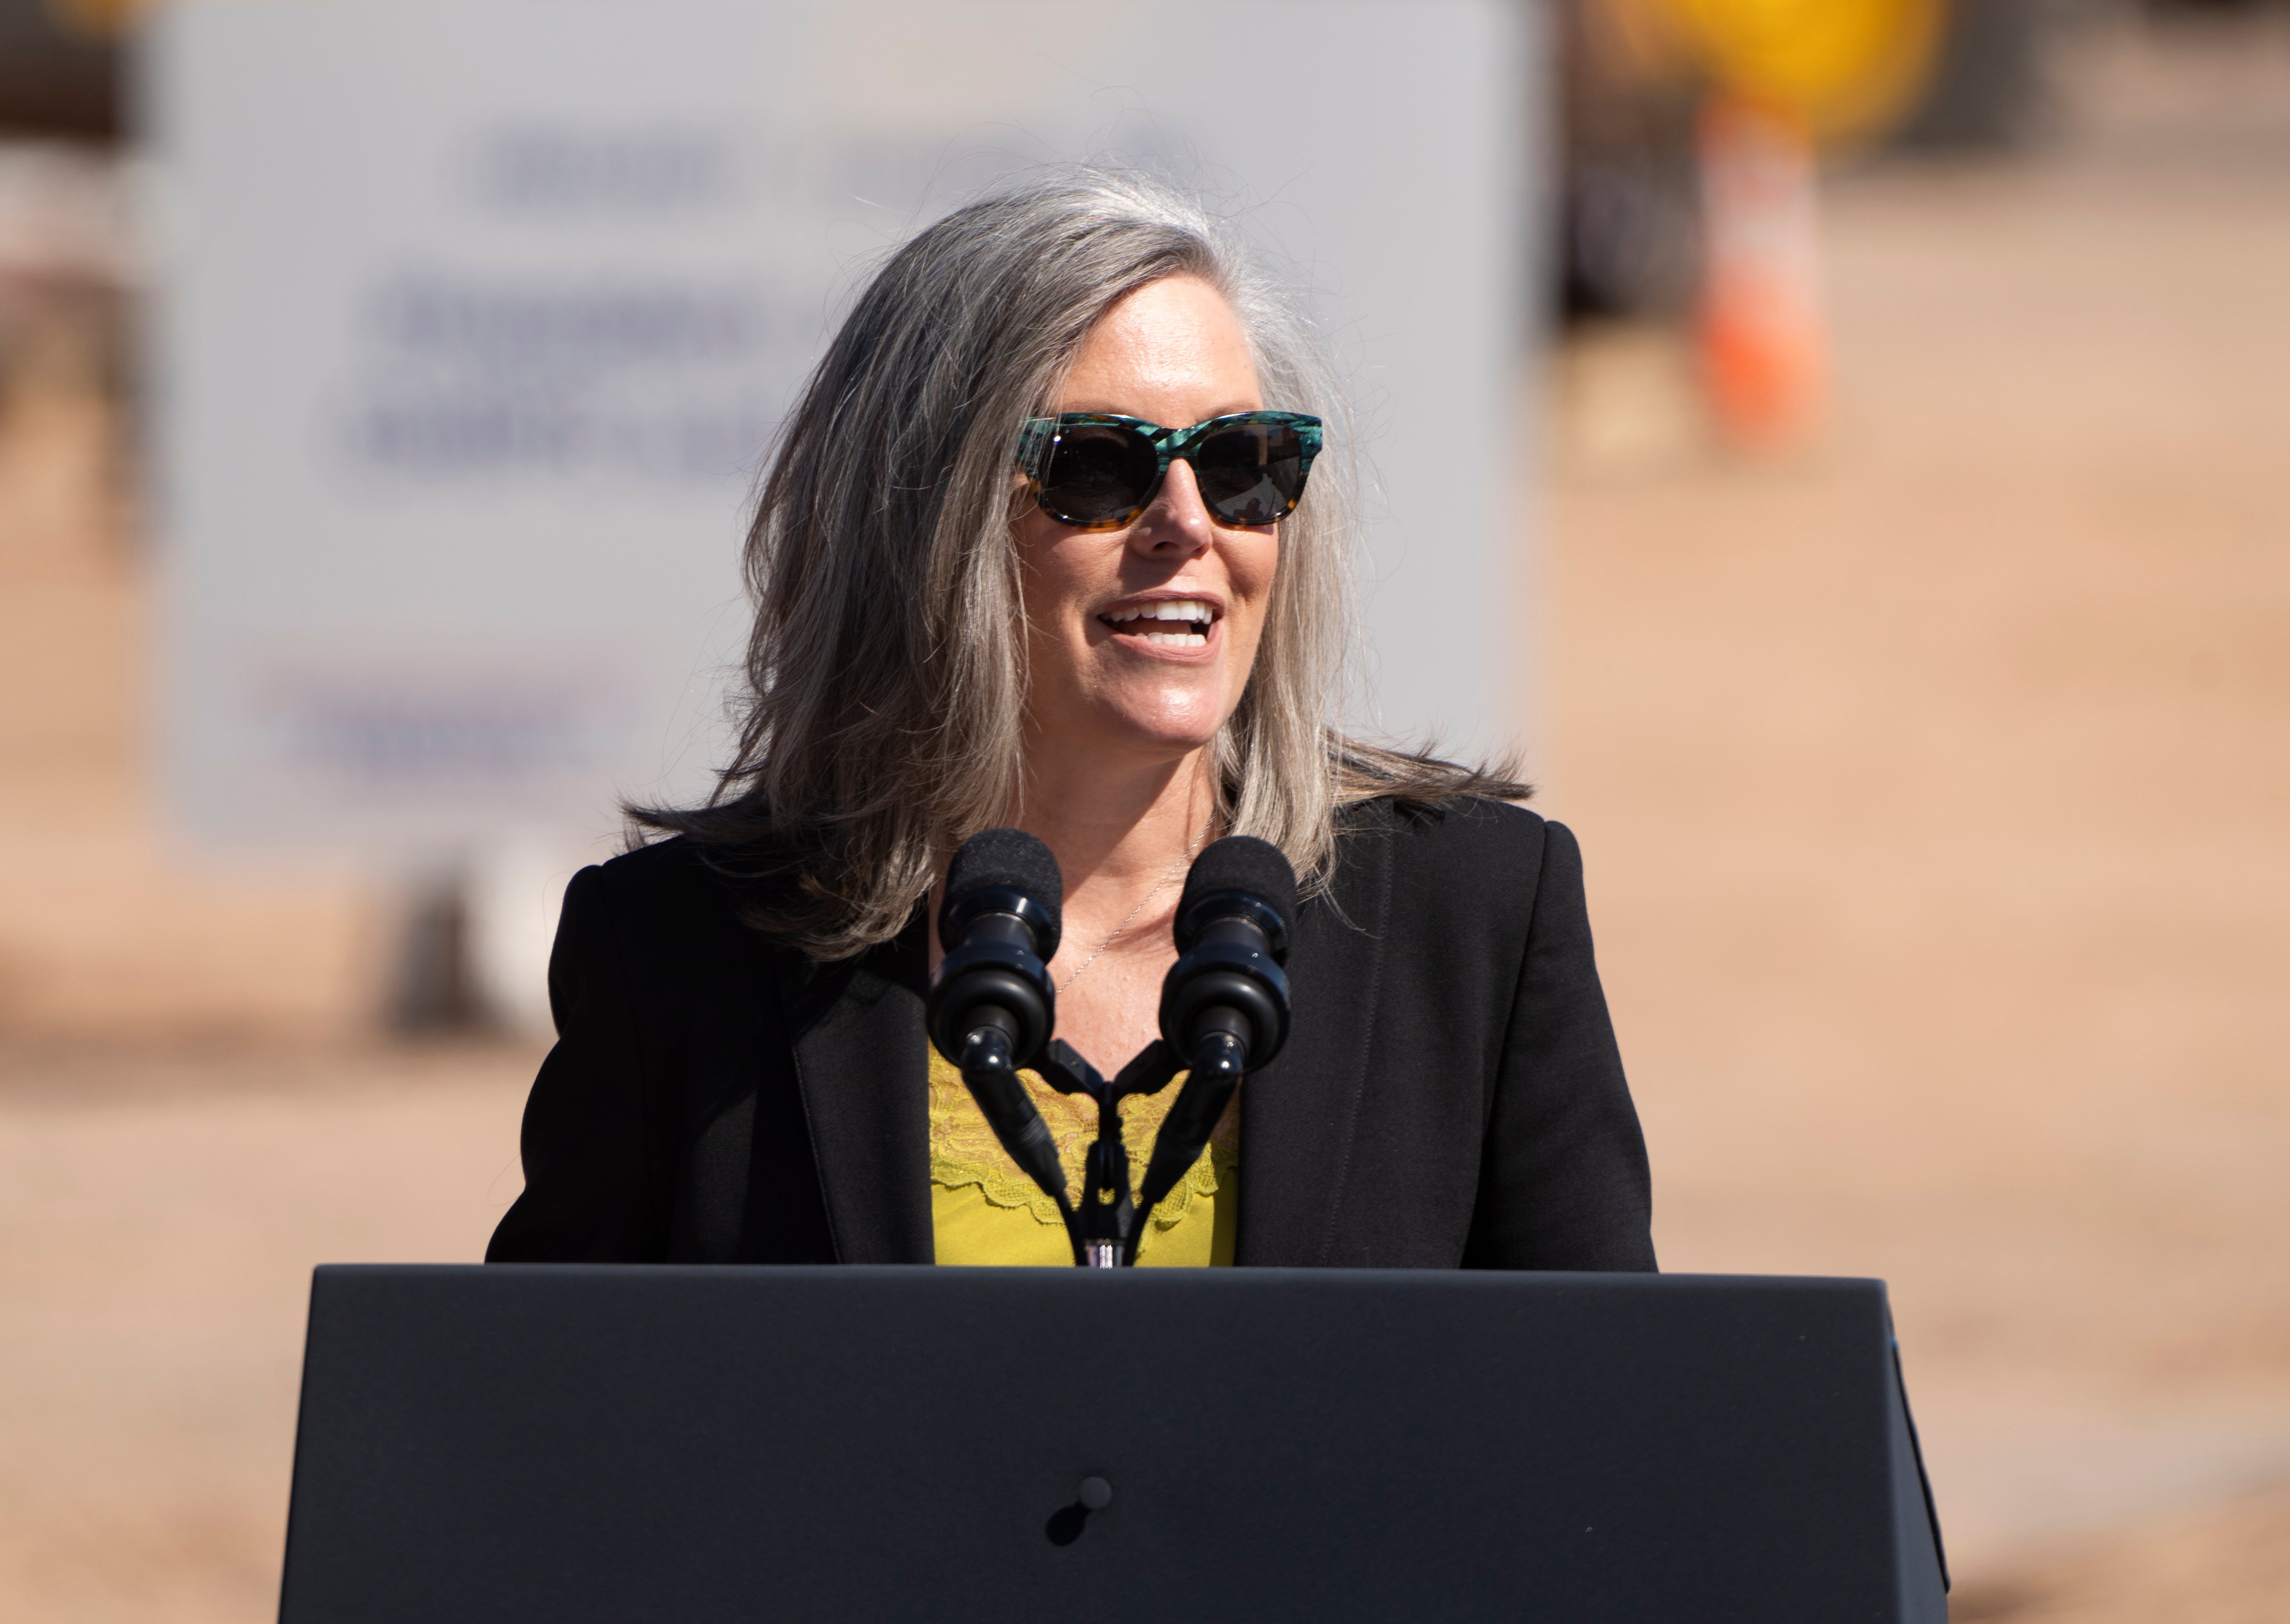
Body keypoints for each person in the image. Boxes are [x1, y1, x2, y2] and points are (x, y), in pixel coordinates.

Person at [487, 168, 1654, 1271]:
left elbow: (1607, 1431)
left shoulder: (1479, 921)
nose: (1188, 523)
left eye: (1243, 462)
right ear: (922, 525)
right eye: (1101, 467)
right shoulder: (681, 958)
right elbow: (539, 1436)